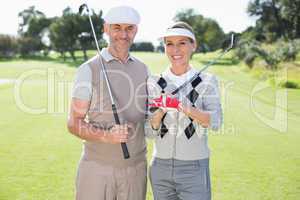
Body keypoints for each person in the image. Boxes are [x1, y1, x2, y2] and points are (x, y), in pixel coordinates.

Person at [67, 6, 149, 200]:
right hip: (97, 170)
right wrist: (106, 136)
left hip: (136, 171)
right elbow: (73, 122)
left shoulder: (144, 70)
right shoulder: (88, 69)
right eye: (117, 28)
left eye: (129, 28)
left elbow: (149, 117)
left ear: (136, 30)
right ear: (106, 29)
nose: (123, 34)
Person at [146, 21, 222, 200]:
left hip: (194, 168)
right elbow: (149, 131)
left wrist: (183, 106)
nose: (175, 50)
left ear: (193, 45)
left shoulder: (207, 81)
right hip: (160, 168)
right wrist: (161, 110)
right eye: (169, 44)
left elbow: (216, 122)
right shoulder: (154, 82)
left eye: (182, 43)